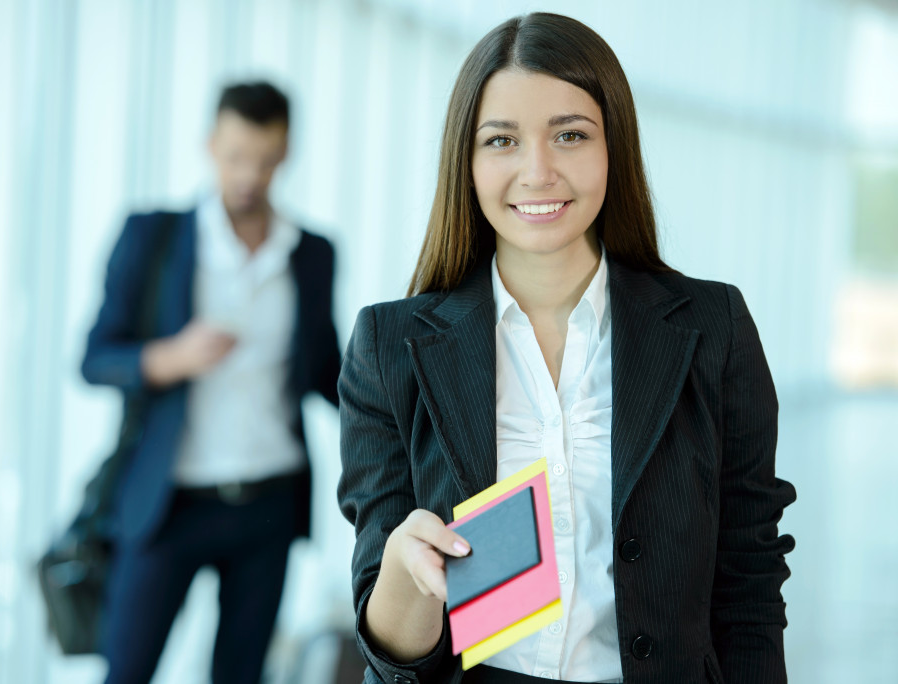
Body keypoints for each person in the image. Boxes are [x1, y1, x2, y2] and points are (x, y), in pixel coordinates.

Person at [337, 13, 795, 684]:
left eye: (570, 135)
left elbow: (750, 579)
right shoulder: (390, 348)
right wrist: (409, 571)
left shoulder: (710, 327)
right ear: (466, 161)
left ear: (615, 148)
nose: (538, 171)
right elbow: (392, 653)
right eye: (502, 140)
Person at [81, 81, 341, 684]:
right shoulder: (154, 238)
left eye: (265, 159)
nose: (249, 174)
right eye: (235, 156)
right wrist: (169, 357)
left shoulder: (311, 254)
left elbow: (326, 370)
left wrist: (396, 404)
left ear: (286, 153)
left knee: (242, 675)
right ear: (210, 145)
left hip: (269, 504)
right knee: (127, 670)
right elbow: (95, 357)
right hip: (168, 504)